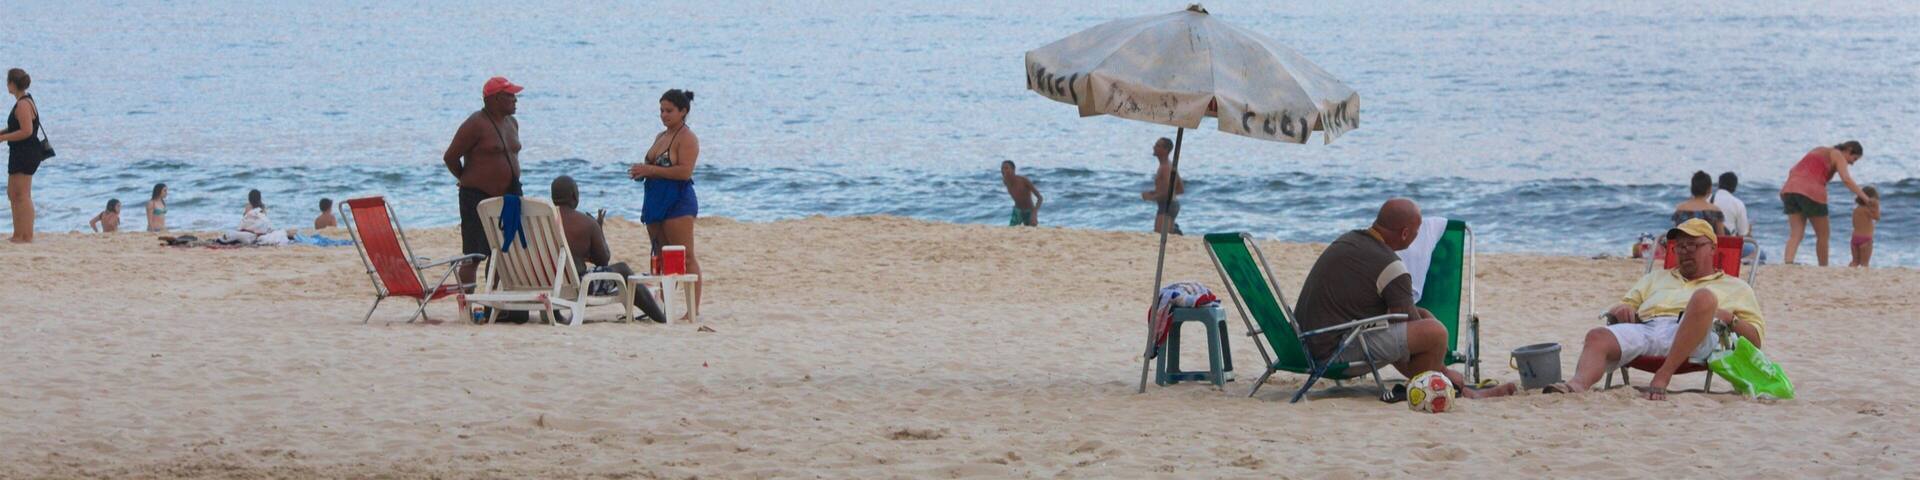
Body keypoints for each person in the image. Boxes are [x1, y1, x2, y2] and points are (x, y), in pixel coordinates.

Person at [1293, 198, 1517, 399]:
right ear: (1404, 234)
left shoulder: (1348, 240)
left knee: (1425, 316)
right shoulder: (1391, 266)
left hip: (1306, 341)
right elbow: (1406, 323)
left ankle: (1446, 383)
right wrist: (1445, 368)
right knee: (1435, 333)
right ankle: (1438, 387)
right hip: (1333, 352)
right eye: (1417, 232)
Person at [1546, 219, 1764, 400]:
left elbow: (1755, 341)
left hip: (1699, 336)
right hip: (1649, 328)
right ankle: (1575, 386)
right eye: (1680, 246)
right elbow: (1626, 303)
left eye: (1692, 245)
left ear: (1712, 248)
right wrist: (1623, 308)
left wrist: (1731, 319)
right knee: (1597, 336)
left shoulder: (1736, 286)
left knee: (1704, 297)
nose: (1685, 251)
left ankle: (1663, 375)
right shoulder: (1656, 277)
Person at [628, 89, 702, 320]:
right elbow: (654, 166)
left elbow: (684, 171)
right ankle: (665, 305)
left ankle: (692, 310)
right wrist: (642, 171)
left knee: (684, 255)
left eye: (669, 111)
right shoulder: (661, 136)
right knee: (660, 255)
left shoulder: (687, 138)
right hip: (655, 199)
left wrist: (650, 169)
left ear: (683, 111)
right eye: (661, 110)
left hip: (678, 200)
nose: (664, 115)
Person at [552, 175, 668, 323]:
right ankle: (660, 318)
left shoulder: (544, 219)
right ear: (574, 196)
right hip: (578, 286)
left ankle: (555, 314)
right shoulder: (586, 223)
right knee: (623, 269)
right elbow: (603, 261)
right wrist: (598, 230)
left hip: (546, 283)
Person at [443, 76, 524, 287]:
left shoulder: (511, 123)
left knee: (504, 251)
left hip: (508, 196)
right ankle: (467, 303)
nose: (515, 100)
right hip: (476, 196)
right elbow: (450, 157)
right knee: (474, 254)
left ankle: (492, 298)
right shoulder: (475, 123)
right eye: (510, 96)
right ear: (495, 99)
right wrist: (466, 178)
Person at [1780, 141, 1873, 266]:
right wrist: (1866, 198)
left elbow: (1794, 169)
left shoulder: (1818, 149)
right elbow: (1846, 179)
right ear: (1849, 149)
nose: (1852, 163)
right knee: (1823, 235)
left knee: (1796, 233)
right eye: (1854, 159)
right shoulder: (1837, 154)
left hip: (1789, 189)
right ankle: (1823, 267)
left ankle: (1788, 262)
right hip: (1811, 191)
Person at [2, 68, 45, 243]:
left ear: (13, 83)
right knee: (13, 193)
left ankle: (26, 236)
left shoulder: (23, 104)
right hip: (20, 151)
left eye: (7, 81)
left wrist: (3, 138)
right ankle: (17, 234)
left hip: (25, 152)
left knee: (22, 195)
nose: (6, 85)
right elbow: (17, 128)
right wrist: (2, 133)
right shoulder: (23, 101)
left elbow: (27, 131)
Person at [1140, 137, 1185, 235]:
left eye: (1158, 146)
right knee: (1166, 235)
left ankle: (1175, 231)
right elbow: (1180, 188)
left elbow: (1167, 193)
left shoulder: (1165, 168)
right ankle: (1174, 230)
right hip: (1170, 204)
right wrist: (1155, 192)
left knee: (1159, 236)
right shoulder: (1169, 165)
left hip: (1167, 205)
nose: (1154, 147)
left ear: (1165, 150)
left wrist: (1150, 197)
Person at [221, 189, 288, 245]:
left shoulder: (249, 212)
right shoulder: (260, 211)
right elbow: (267, 225)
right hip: (255, 235)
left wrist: (246, 213)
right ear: (260, 199)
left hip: (247, 234)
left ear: (249, 200)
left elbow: (241, 226)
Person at [1000, 160, 1043, 227]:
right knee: (1010, 231)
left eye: (1006, 168)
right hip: (1017, 211)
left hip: (1029, 211)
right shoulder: (1005, 181)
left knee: (1032, 231)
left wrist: (1034, 214)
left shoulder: (1023, 180)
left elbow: (1040, 198)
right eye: (1002, 168)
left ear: (1013, 170)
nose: (1004, 170)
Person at [1710, 172, 1749, 238]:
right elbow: (1742, 233)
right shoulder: (1738, 204)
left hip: (1708, 241)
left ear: (1719, 184)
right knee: (1751, 246)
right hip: (1728, 244)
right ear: (1735, 187)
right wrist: (1749, 231)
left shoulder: (1708, 199)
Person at [1850, 186, 1880, 268]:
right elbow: (1877, 217)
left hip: (1854, 239)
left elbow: (1854, 224)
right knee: (1864, 264)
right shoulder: (1867, 210)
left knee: (1854, 262)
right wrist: (1876, 206)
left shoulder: (1856, 210)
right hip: (1866, 240)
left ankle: (1849, 274)